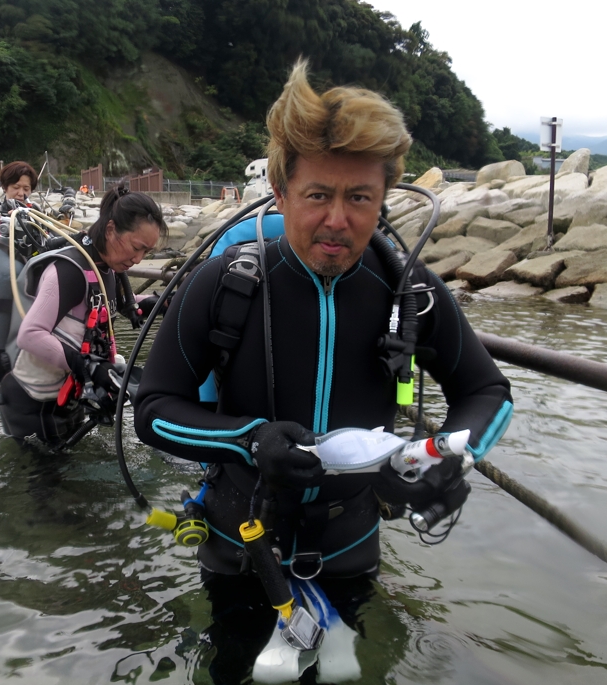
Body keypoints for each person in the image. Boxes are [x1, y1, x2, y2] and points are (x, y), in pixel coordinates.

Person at [133, 60, 513, 678]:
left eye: (359, 197)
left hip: (349, 546)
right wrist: (249, 439)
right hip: (241, 545)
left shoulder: (409, 292)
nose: (338, 219)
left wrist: (450, 455)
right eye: (318, 195)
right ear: (282, 195)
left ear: (383, 198)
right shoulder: (227, 283)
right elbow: (152, 410)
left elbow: (487, 390)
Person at [0, 184, 168, 450]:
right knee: (49, 486)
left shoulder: (106, 268)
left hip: (67, 396)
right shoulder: (69, 270)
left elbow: (105, 305)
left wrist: (154, 303)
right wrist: (88, 365)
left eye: (146, 252)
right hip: (33, 404)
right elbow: (29, 335)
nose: (137, 259)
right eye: (137, 247)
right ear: (111, 229)